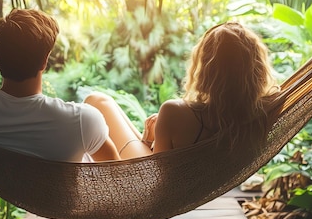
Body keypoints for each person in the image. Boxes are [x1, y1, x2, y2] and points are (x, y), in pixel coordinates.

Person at [0, 9, 120, 162]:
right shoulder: (82, 121)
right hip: (81, 189)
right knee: (100, 101)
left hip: (15, 187)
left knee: (95, 100)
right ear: (44, 62)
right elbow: (120, 176)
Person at [85, 21, 279, 160]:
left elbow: (156, 172)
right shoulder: (263, 111)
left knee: (97, 101)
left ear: (206, 68)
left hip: (151, 189)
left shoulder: (174, 111)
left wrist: (148, 140)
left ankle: (111, 184)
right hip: (193, 188)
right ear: (256, 68)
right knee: (104, 104)